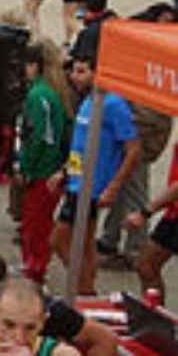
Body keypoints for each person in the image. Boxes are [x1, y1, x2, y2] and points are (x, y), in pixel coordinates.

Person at [51, 54, 140, 295]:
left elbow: (133, 149)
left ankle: (82, 286)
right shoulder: (89, 100)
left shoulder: (113, 104)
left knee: (59, 240)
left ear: (97, 73)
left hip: (91, 186)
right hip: (76, 182)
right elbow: (80, 145)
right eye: (74, 71)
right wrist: (64, 172)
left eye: (81, 71)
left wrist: (113, 186)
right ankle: (86, 289)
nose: (73, 77)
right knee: (86, 244)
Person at [16, 40, 73, 285]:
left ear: (35, 65)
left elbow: (41, 137)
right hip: (48, 169)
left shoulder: (39, 95)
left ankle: (35, 268)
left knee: (36, 224)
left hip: (42, 172)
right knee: (37, 222)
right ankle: (33, 264)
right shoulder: (51, 92)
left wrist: (26, 167)